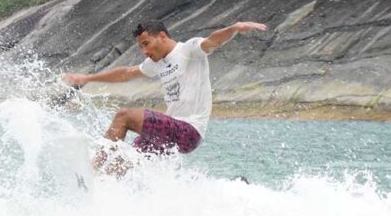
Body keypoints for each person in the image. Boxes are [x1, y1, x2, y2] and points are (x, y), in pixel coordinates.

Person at [62, 20, 267, 169]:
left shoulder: (188, 50)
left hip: (189, 131)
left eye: (146, 44)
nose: (144, 51)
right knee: (127, 159)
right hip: (170, 132)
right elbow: (126, 74)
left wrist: (235, 28)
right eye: (141, 46)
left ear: (162, 36)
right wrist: (88, 78)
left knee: (124, 116)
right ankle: (104, 190)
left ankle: (91, 170)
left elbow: (213, 41)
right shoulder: (156, 64)